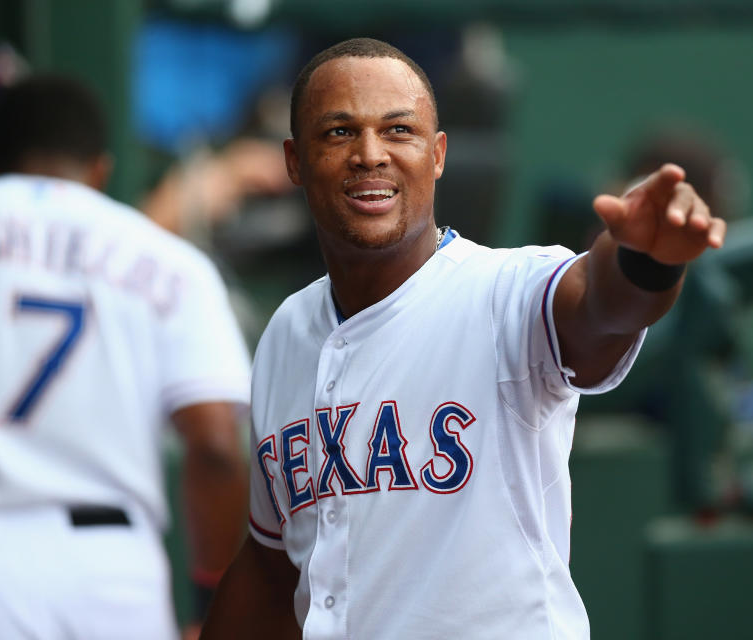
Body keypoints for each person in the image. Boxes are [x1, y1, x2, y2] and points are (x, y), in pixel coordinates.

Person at [200, 38, 726, 639]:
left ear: (438, 154)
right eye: (339, 133)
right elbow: (273, 565)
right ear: (295, 161)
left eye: (399, 130)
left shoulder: (506, 293)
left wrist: (645, 261)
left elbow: (602, 306)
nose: (371, 154)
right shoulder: (287, 334)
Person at [0, 75, 252, 639]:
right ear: (101, 171)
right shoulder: (168, 259)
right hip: (118, 571)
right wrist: (211, 601)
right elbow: (215, 444)